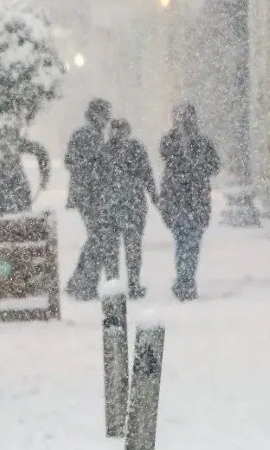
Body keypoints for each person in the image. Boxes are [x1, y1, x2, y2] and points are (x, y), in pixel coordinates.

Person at [158, 103, 220, 301]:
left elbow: (214, 166)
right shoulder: (175, 142)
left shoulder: (196, 142)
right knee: (187, 243)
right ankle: (185, 281)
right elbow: (213, 166)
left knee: (186, 243)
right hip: (186, 201)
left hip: (189, 201)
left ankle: (185, 281)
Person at [100, 119, 157, 299]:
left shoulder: (105, 150)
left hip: (113, 206)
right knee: (131, 248)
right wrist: (154, 195)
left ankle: (114, 285)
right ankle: (132, 284)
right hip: (132, 205)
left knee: (113, 249)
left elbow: (95, 180)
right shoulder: (135, 149)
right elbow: (147, 174)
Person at [64, 99, 113, 300]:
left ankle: (80, 282)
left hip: (89, 194)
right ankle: (84, 284)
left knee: (96, 238)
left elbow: (70, 160)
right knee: (98, 239)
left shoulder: (91, 135)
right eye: (105, 115)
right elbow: (75, 162)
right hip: (90, 195)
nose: (107, 119)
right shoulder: (89, 135)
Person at [0, 117, 50, 216]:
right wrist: (44, 177)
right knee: (21, 223)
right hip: (15, 190)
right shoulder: (15, 142)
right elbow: (40, 151)